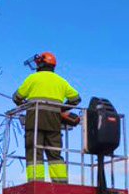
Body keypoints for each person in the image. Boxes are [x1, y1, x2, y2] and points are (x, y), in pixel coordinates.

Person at [13, 52, 80, 183]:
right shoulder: (61, 81)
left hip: (34, 122)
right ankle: (61, 184)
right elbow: (76, 99)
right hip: (54, 123)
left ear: (41, 64)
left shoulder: (33, 78)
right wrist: (60, 110)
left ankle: (36, 183)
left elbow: (17, 97)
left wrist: (25, 104)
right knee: (55, 154)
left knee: (34, 152)